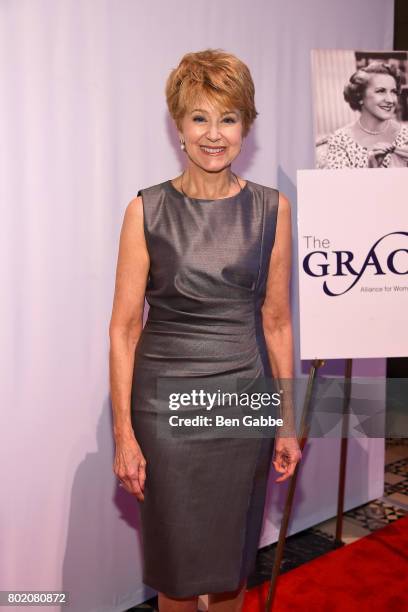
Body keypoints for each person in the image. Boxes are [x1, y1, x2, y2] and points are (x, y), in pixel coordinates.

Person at [109, 48, 301, 612]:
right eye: (199, 117)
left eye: (228, 118)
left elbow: (278, 322)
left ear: (246, 125)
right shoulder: (146, 210)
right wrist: (124, 435)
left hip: (243, 403)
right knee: (178, 571)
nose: (213, 134)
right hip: (165, 410)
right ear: (179, 126)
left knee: (229, 566)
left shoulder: (273, 211)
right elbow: (123, 330)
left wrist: (287, 424)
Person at [325, 61, 408, 169]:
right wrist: (371, 169)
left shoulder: (406, 135)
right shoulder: (340, 141)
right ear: (360, 97)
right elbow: (339, 185)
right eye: (381, 91)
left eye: (393, 92)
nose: (390, 100)